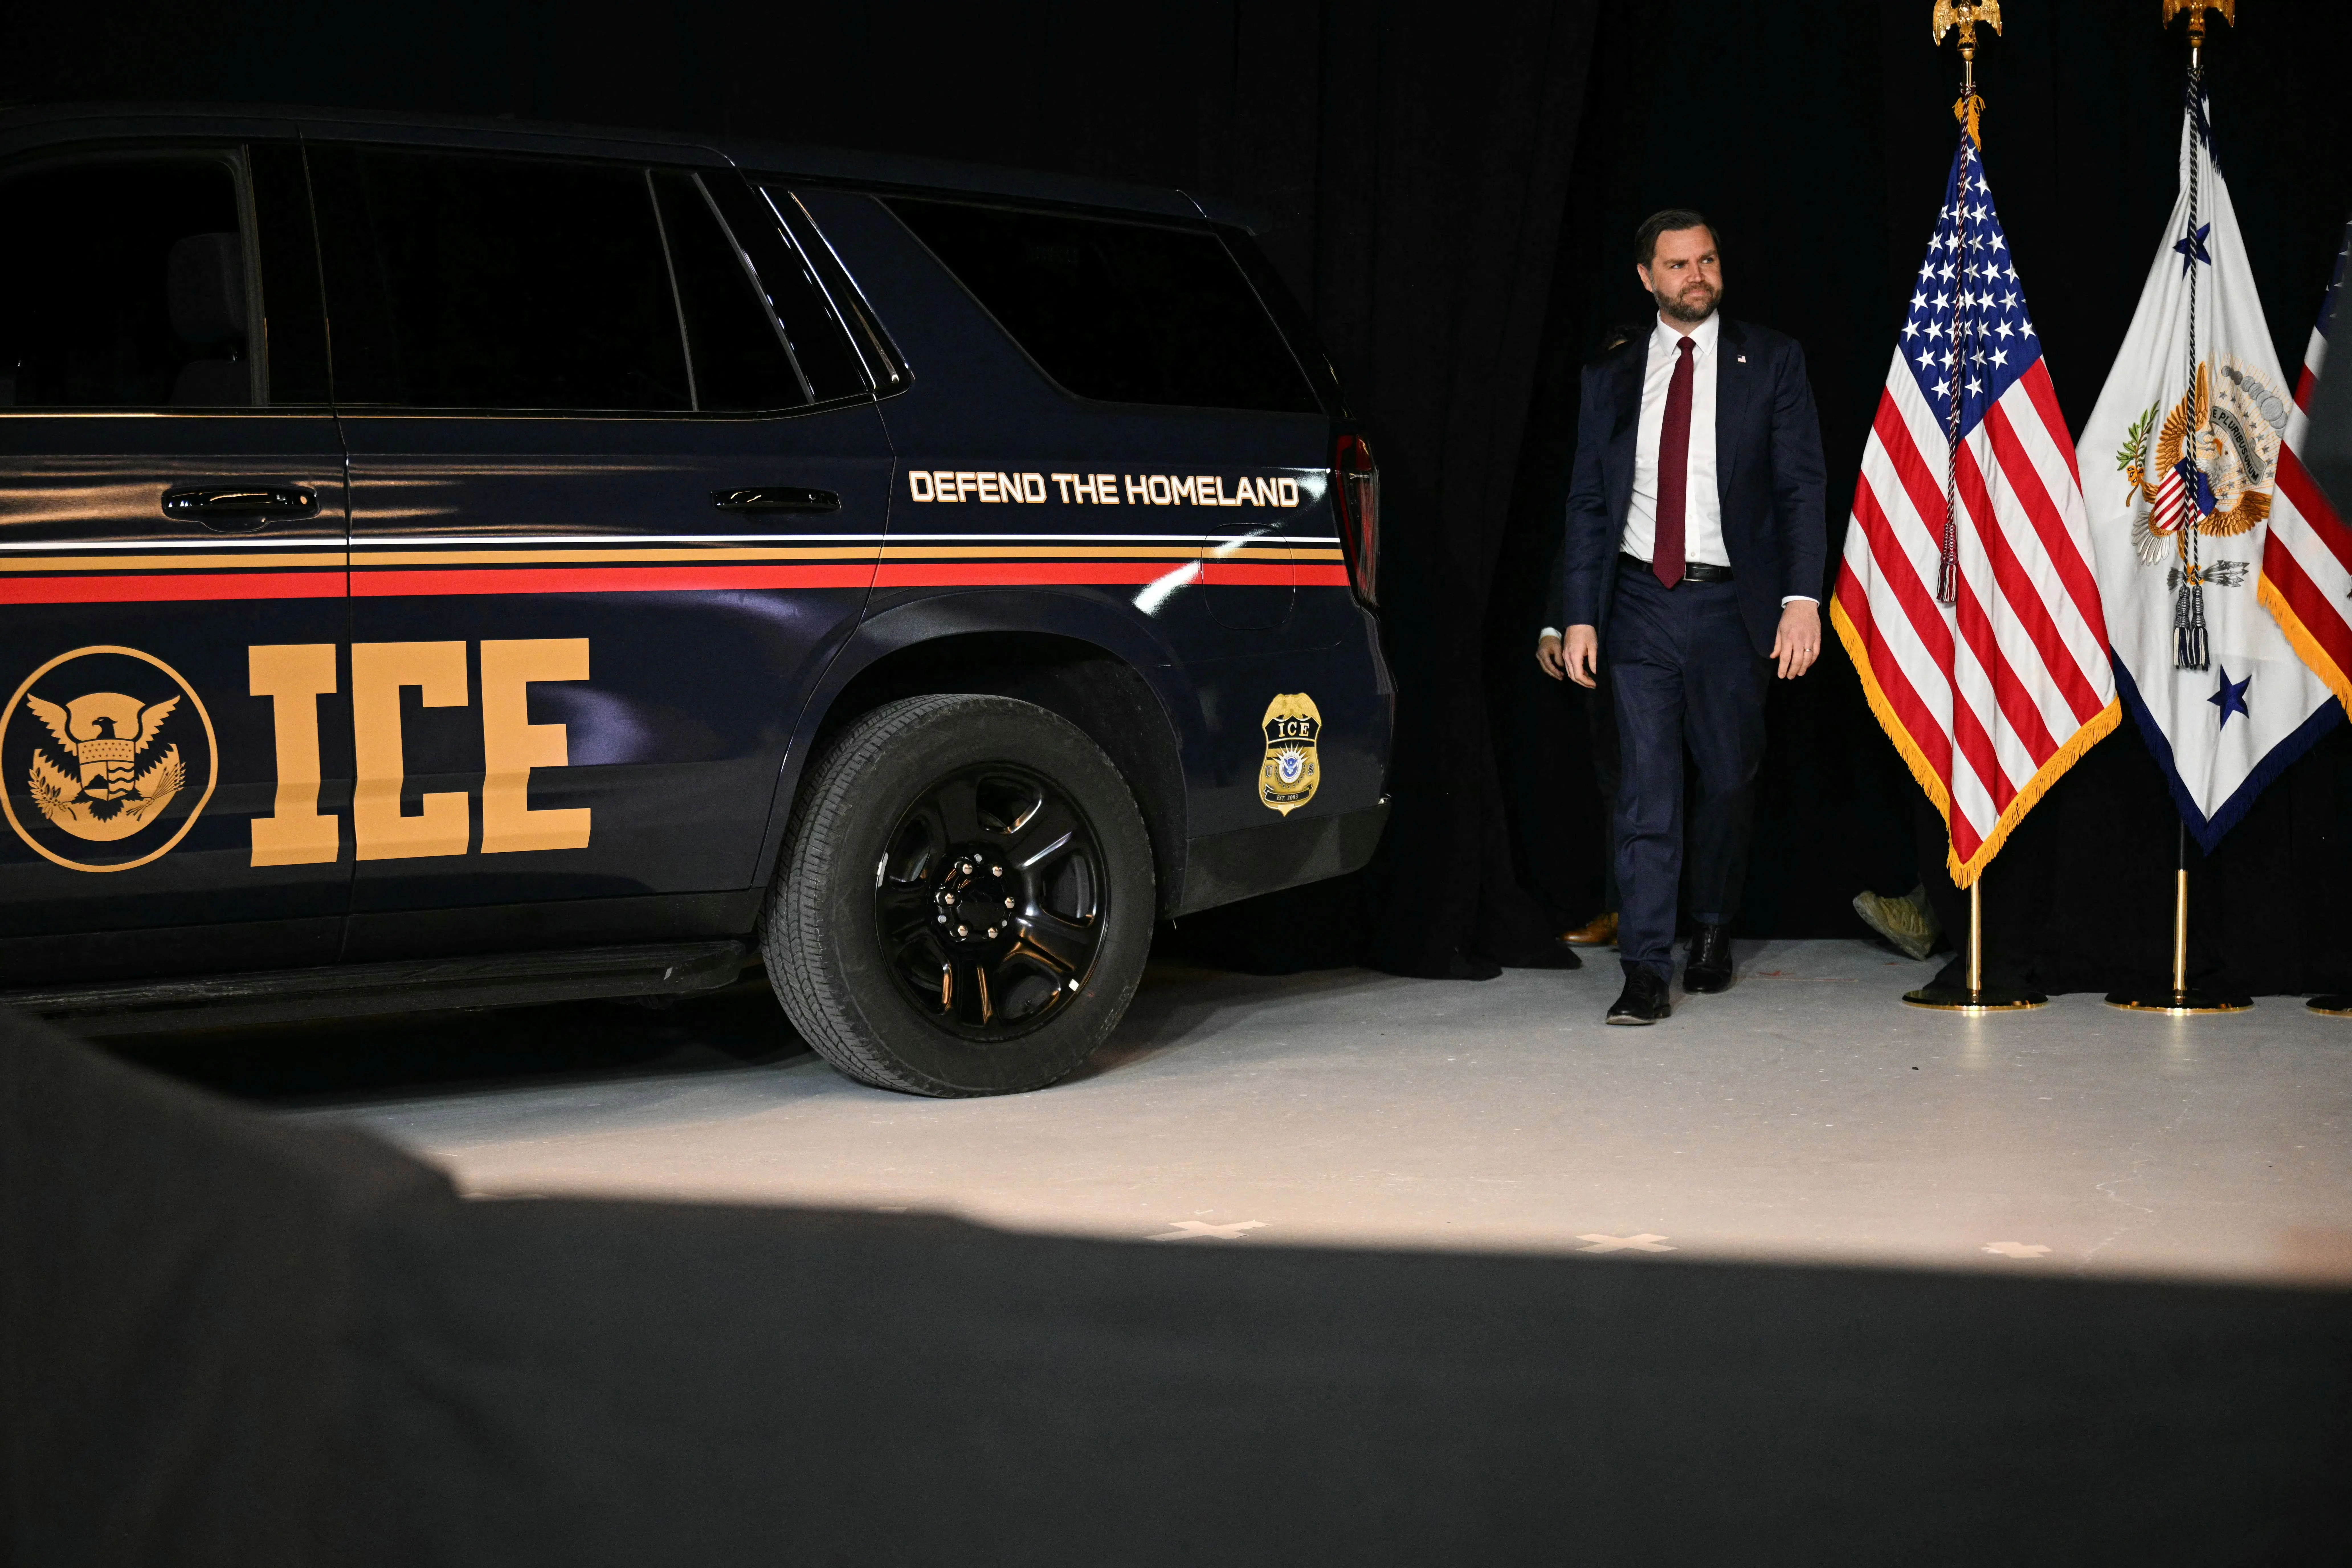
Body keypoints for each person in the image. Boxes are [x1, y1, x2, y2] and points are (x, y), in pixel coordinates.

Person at [1540, 209, 1826, 1024]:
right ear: (1646, 278)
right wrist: (1578, 615)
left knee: (1730, 777)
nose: (1695, 276)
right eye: (1677, 266)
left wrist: (1802, 599)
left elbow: (1802, 488)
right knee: (1645, 789)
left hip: (1732, 605)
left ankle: (1711, 925)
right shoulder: (1613, 374)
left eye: (1706, 261)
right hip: (1638, 605)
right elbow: (1589, 503)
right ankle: (1643, 967)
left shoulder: (1770, 361)